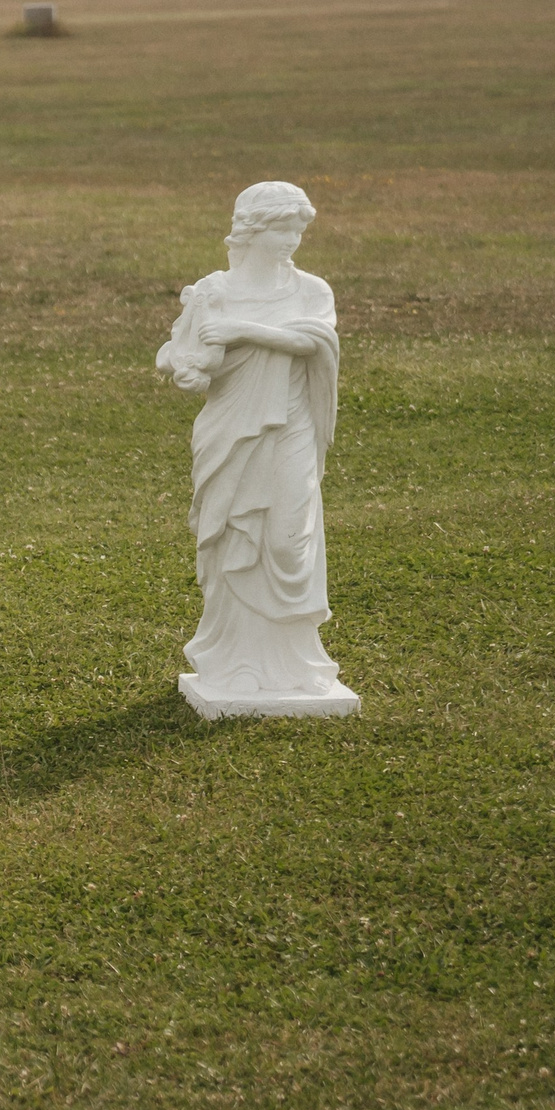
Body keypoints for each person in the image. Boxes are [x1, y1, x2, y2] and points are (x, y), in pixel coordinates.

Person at [156, 182, 356, 715]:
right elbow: (183, 357)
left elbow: (314, 341)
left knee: (291, 540)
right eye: (281, 228)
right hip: (230, 429)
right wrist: (185, 362)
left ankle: (295, 663)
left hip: (289, 427)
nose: (292, 238)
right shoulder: (212, 292)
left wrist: (241, 329)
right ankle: (234, 660)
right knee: (231, 541)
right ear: (250, 230)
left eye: (298, 228)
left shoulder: (312, 290)